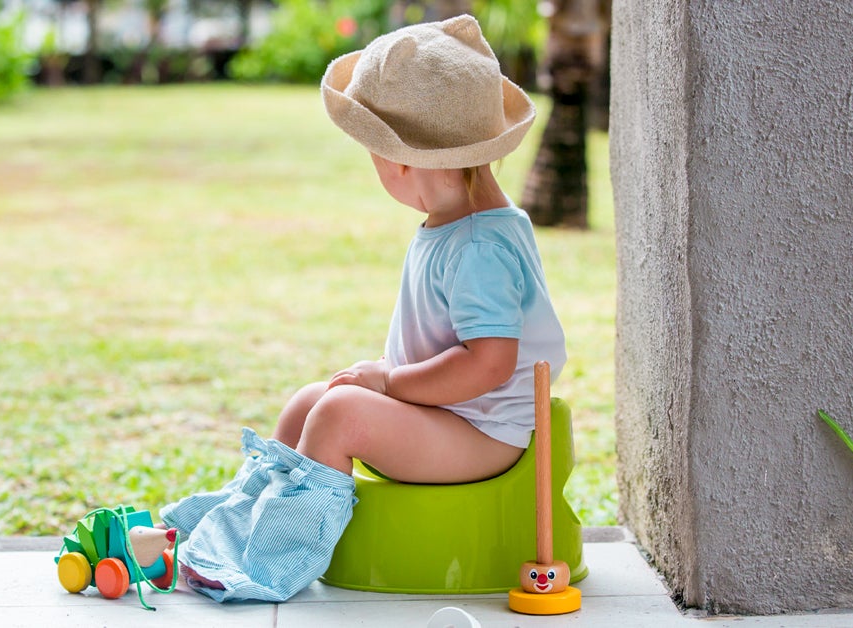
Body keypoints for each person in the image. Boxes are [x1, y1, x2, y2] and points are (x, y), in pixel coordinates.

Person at [157, 13, 567, 603]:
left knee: (341, 414)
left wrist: (392, 382)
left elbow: (490, 365)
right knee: (312, 400)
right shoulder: (460, 224)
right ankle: (239, 523)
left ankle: (269, 563)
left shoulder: (478, 244)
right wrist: (389, 377)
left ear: (402, 162)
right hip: (454, 415)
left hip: (485, 434)